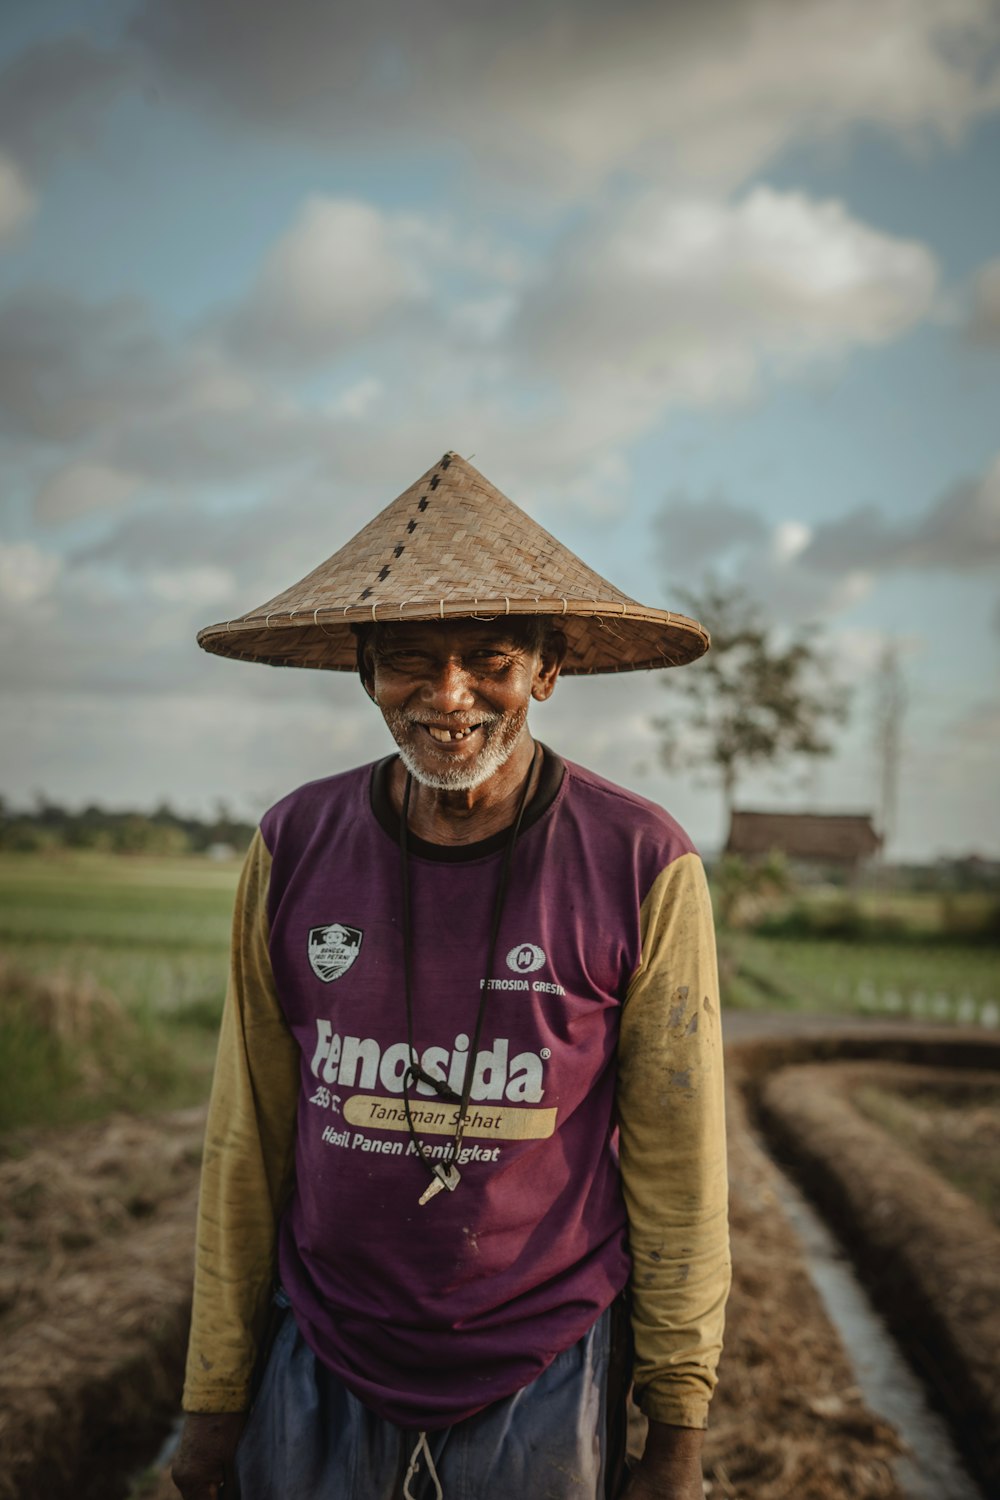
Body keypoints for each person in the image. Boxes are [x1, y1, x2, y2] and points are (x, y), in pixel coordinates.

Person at [172, 452, 730, 1500]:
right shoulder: (295, 843)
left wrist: (678, 1427)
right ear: (363, 668)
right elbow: (248, 1133)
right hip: (322, 1346)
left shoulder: (641, 862)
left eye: (490, 658)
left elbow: (679, 1164)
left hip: (547, 1363)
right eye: (409, 660)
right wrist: (212, 1397)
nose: (448, 695)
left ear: (548, 671)